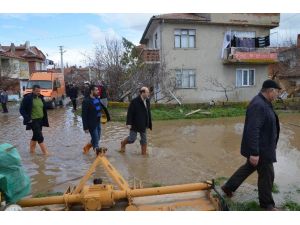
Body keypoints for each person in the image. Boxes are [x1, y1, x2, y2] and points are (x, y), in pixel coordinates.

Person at [221, 79, 281, 211]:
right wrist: (254, 153)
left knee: (248, 168)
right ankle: (267, 206)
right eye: (276, 92)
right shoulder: (259, 105)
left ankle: (228, 187)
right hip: (261, 149)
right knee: (267, 176)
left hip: (263, 148)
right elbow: (253, 129)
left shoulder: (264, 103)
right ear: (270, 91)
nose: (277, 95)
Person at [120, 87, 152, 155]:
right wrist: (128, 123)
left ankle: (144, 156)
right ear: (142, 93)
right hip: (134, 123)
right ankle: (123, 143)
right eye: (147, 92)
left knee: (144, 140)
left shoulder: (147, 101)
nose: (148, 94)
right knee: (132, 139)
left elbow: (148, 113)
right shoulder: (134, 101)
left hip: (143, 124)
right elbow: (130, 113)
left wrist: (148, 123)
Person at [19, 85, 49, 155]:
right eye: (36, 91)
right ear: (33, 90)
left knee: (35, 136)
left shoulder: (41, 98)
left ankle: (31, 151)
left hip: (40, 120)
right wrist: (27, 118)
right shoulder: (28, 98)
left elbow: (43, 109)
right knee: (40, 136)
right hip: (33, 120)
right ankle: (46, 153)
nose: (38, 92)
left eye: (39, 91)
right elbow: (21, 109)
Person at [82, 85, 110, 155]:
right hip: (91, 123)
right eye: (96, 90)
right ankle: (98, 154)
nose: (98, 91)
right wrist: (85, 127)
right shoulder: (86, 101)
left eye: (98, 90)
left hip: (98, 122)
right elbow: (84, 115)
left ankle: (87, 147)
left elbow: (99, 110)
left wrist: (104, 119)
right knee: (96, 140)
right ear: (92, 91)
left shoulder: (97, 98)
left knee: (97, 138)